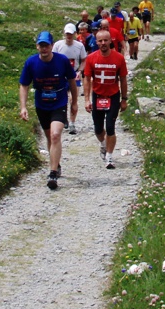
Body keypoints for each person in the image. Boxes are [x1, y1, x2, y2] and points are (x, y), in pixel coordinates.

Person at [19, 31, 78, 190]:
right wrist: (23, 107)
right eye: (41, 45)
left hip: (59, 101)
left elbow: (72, 81)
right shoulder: (31, 62)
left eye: (47, 45)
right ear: (37, 46)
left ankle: (52, 173)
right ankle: (56, 164)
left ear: (52, 46)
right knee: (49, 137)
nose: (44, 49)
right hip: (41, 104)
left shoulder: (62, 61)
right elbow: (24, 85)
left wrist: (74, 103)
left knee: (55, 134)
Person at [83, 29, 129, 170]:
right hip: (97, 96)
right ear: (96, 42)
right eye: (100, 41)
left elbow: (123, 79)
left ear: (110, 41)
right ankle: (103, 144)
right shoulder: (91, 58)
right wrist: (86, 100)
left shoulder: (119, 58)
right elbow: (87, 79)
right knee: (98, 128)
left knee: (110, 126)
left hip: (113, 96)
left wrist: (124, 99)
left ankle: (109, 156)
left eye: (105, 40)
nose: (103, 43)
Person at [52, 23, 87, 134]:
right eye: (67, 34)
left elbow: (84, 60)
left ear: (75, 34)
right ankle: (64, 119)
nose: (69, 36)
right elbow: (52, 59)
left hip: (74, 73)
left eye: (71, 34)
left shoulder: (79, 46)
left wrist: (80, 71)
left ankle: (72, 123)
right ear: (64, 33)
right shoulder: (58, 45)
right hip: (61, 75)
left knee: (73, 99)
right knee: (62, 98)